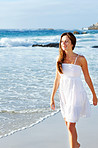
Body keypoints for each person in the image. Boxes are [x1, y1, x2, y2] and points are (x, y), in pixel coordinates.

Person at [50, 32, 97, 148]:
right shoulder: (59, 59)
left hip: (76, 93)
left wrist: (94, 95)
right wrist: (52, 97)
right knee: (69, 125)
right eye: (62, 41)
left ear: (72, 44)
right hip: (64, 94)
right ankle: (76, 144)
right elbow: (57, 79)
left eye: (66, 41)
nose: (63, 44)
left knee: (71, 125)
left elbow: (87, 77)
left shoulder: (80, 59)